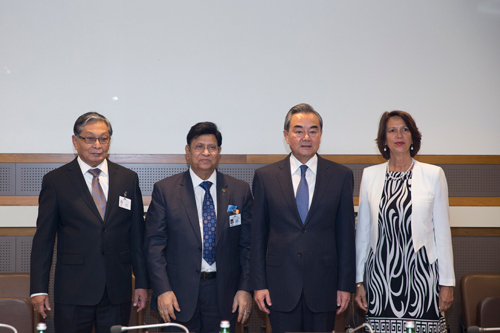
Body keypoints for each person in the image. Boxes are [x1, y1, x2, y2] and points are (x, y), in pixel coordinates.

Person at [30, 112, 149, 333]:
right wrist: (38, 289)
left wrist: (142, 282)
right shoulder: (56, 181)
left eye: (103, 138)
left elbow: (136, 237)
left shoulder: (127, 178)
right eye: (90, 138)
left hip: (117, 291)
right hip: (73, 291)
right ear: (75, 142)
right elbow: (43, 240)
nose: (97, 145)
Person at [251, 103, 356, 333]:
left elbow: (346, 236)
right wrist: (258, 285)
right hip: (279, 287)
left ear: (320, 135)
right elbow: (257, 237)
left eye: (313, 130)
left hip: (325, 287)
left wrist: (345, 285)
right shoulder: (265, 177)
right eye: (298, 131)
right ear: (286, 136)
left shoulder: (341, 176)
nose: (306, 137)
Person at [144, 122, 253, 333]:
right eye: (198, 146)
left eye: (211, 147)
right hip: (177, 295)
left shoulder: (239, 190)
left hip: (225, 295)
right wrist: (163, 290)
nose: (205, 152)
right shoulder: (165, 191)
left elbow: (248, 246)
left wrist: (245, 288)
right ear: (188, 151)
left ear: (219, 152)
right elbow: (153, 246)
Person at [354, 111, 455, 333]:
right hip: (380, 275)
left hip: (421, 276)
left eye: (405, 129)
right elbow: (363, 232)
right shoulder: (370, 175)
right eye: (392, 130)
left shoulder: (433, 174)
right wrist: (359, 282)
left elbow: (443, 234)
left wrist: (447, 283)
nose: (399, 134)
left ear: (413, 137)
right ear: (383, 140)